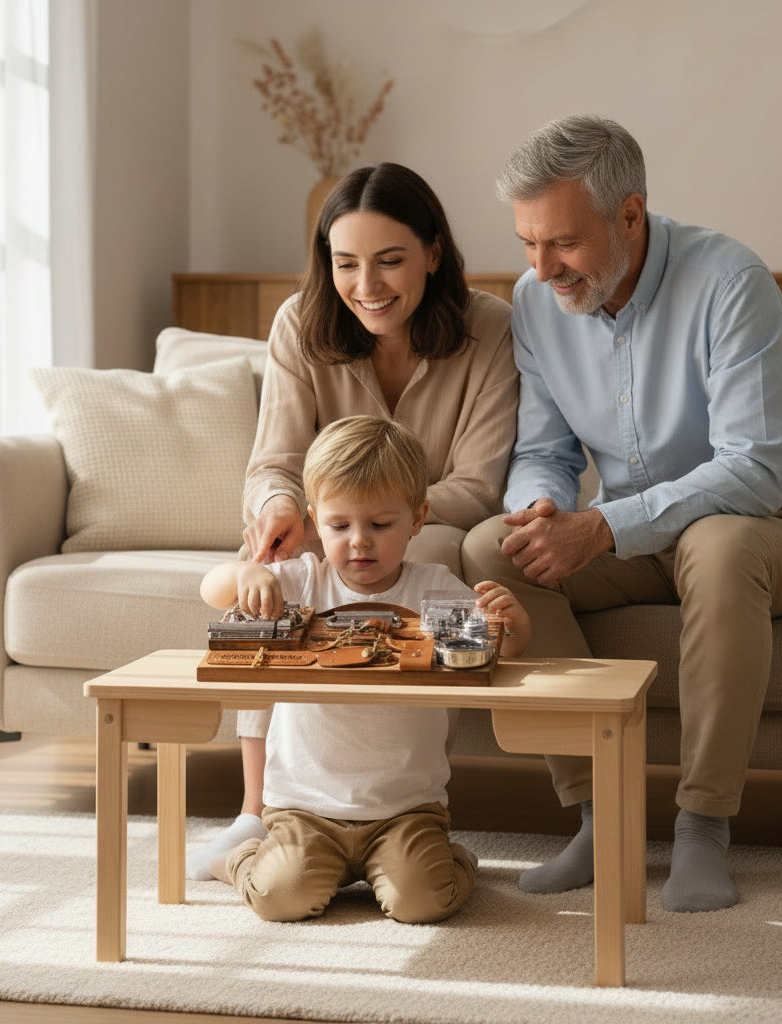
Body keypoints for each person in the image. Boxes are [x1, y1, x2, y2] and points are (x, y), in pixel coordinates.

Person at [461, 114, 782, 913]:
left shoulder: (730, 281)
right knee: (495, 546)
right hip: (631, 535)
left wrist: (600, 528)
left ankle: (703, 827)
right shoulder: (534, 301)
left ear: (630, 214)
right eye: (527, 242)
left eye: (560, 242)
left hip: (777, 528)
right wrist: (542, 507)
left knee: (721, 544)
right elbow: (544, 451)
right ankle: (604, 817)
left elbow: (755, 468)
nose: (541, 266)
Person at [187, 162, 517, 879]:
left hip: (433, 525)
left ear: (433, 252)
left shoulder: (488, 326)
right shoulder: (300, 326)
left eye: (391, 261)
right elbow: (274, 462)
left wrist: (379, 520)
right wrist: (285, 513)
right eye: (346, 264)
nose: (367, 286)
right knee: (272, 578)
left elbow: (478, 485)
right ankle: (257, 808)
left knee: (435, 563)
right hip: (322, 527)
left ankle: (405, 802)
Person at [200, 415, 530, 922]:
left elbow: (499, 653)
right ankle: (241, 858)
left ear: (417, 519)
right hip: (303, 810)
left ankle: (454, 859)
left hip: (407, 811)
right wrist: (247, 571)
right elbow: (212, 591)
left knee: (420, 903)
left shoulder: (434, 590)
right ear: (313, 522)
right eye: (338, 526)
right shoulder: (303, 582)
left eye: (380, 525)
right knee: (278, 898)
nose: (359, 541)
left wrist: (512, 626)